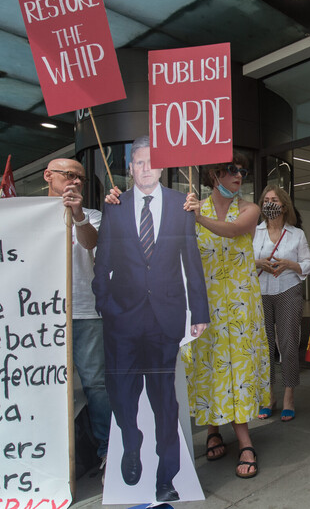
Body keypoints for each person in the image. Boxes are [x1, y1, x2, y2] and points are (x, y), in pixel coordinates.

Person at [92, 136, 209, 503]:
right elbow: (103, 261)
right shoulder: (115, 206)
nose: (146, 169)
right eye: (139, 163)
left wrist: (200, 311)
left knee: (164, 402)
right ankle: (130, 443)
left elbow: (191, 260)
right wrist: (103, 304)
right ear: (130, 168)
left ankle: (166, 475)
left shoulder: (181, 205)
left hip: (165, 318)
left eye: (151, 162)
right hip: (122, 319)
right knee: (122, 395)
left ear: (162, 167)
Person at [182, 155, 270, 479]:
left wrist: (197, 219)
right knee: (209, 365)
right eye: (233, 170)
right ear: (214, 172)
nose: (239, 176)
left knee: (240, 368)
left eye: (243, 171)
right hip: (205, 303)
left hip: (240, 303)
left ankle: (244, 440)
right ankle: (212, 429)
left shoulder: (250, 209)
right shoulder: (194, 207)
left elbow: (233, 231)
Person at [44, 159, 112, 470]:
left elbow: (90, 244)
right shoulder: (30, 214)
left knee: (95, 383)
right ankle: (52, 454)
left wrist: (78, 214)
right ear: (49, 177)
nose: (75, 181)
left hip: (85, 311)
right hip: (41, 315)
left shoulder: (93, 216)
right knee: (47, 385)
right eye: (69, 175)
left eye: (81, 178)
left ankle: (106, 451)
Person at [253, 186, 310, 422]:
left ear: (284, 205)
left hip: (289, 289)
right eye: (266, 199)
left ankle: (289, 394)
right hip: (260, 293)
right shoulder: (254, 232)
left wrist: (290, 264)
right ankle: (269, 395)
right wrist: (260, 262)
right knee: (264, 346)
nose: (270, 203)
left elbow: (308, 264)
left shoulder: (296, 234)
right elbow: (242, 260)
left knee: (288, 344)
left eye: (274, 200)